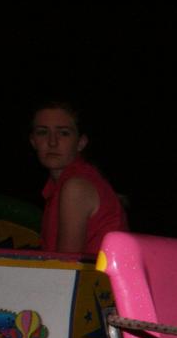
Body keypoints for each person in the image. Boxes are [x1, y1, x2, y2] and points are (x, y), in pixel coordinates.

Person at [30, 102, 127, 254]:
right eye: (42, 132)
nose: (52, 142)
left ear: (81, 143)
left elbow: (65, 267)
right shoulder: (65, 184)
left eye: (63, 133)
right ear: (33, 141)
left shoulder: (76, 186)